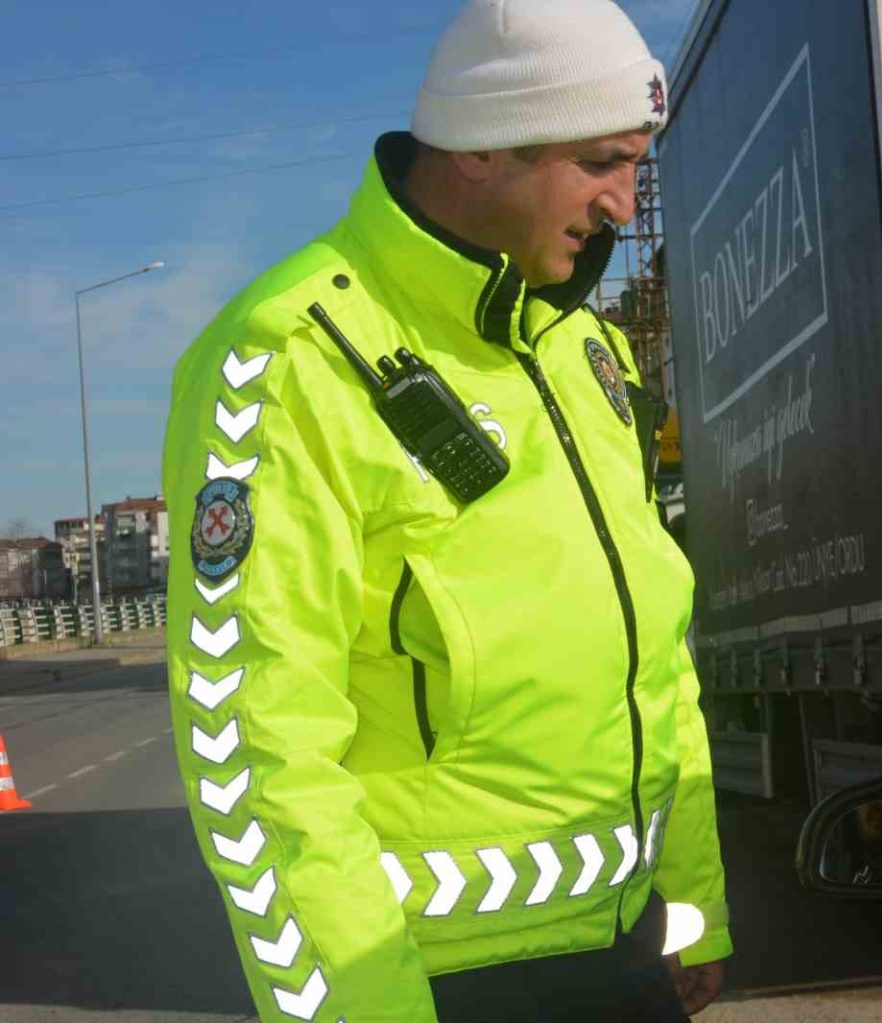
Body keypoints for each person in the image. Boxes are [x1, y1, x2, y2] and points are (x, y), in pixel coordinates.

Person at [160, 2, 730, 1019]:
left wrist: (692, 907)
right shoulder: (288, 359)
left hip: (628, 957)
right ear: (483, 146)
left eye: (636, 164)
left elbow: (656, 661)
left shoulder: (589, 353)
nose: (624, 202)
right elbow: (253, 748)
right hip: (435, 980)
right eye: (603, 162)